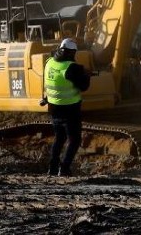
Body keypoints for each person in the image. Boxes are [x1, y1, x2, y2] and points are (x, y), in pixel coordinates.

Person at [44, 38, 90, 177]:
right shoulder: (71, 67)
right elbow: (84, 87)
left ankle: (52, 168)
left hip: (54, 108)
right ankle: (64, 169)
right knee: (74, 140)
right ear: (72, 53)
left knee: (59, 138)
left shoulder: (49, 62)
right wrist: (86, 75)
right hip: (70, 110)